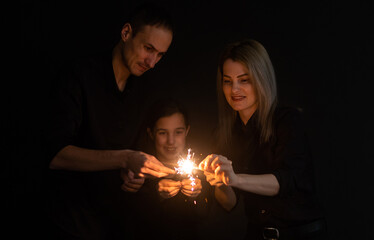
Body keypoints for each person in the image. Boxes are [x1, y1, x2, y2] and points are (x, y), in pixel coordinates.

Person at [43, 3, 175, 239]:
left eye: (160, 55)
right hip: (70, 223)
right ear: (126, 33)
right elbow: (55, 154)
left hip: (116, 224)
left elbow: (135, 157)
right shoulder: (78, 76)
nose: (152, 62)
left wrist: (134, 175)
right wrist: (125, 158)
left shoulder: (145, 89)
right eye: (148, 48)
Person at [199, 39, 327, 239]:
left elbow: (285, 181)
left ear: (261, 79)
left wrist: (236, 178)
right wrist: (219, 181)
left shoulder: (287, 121)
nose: (234, 90)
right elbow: (229, 203)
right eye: (227, 81)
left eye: (244, 80)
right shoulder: (226, 134)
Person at [122, 97, 214, 240]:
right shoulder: (137, 171)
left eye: (178, 132)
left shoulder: (200, 170)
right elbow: (129, 220)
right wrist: (157, 195)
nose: (171, 141)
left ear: (187, 131)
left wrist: (195, 197)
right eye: (162, 133)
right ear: (151, 133)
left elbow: (204, 215)